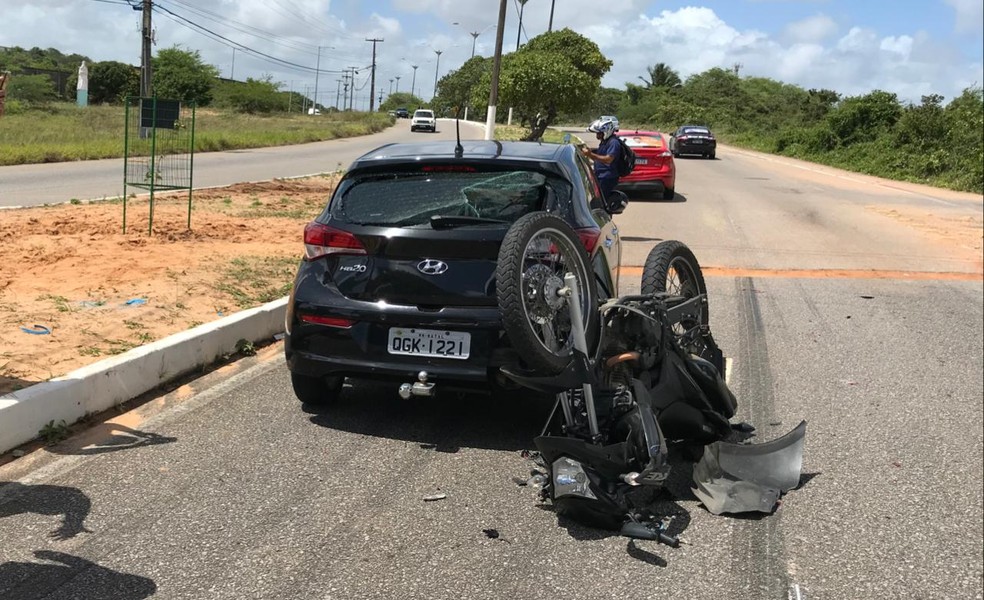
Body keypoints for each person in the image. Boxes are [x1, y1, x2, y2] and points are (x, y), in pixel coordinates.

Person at [580, 116, 622, 204]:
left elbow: (608, 159)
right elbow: (600, 154)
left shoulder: (614, 142)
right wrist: (589, 151)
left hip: (607, 178)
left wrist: (590, 154)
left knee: (600, 203)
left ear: (607, 132)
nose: (597, 136)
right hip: (600, 176)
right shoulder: (605, 141)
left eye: (599, 133)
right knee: (596, 200)